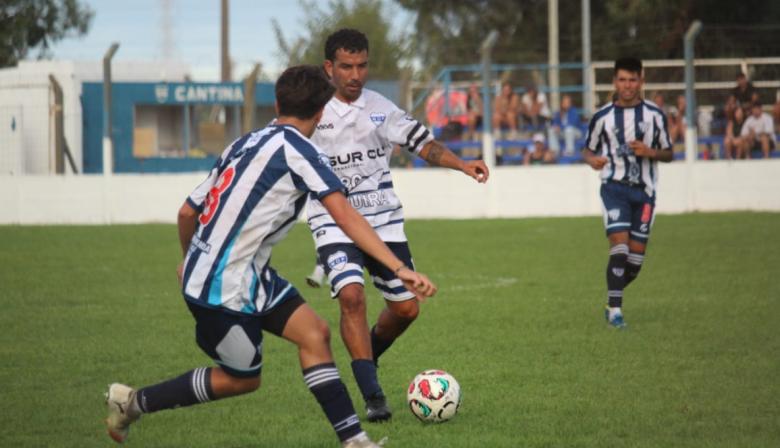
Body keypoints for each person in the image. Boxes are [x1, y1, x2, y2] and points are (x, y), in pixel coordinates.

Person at [103, 65, 437, 448]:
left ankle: (355, 441)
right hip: (221, 290)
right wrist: (398, 268)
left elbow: (186, 212)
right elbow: (343, 214)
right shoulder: (304, 153)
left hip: (245, 274)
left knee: (315, 334)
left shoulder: (244, 142)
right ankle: (133, 402)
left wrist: (189, 259)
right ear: (322, 111)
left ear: (277, 103)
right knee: (243, 379)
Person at [307, 28, 489, 422]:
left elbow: (423, 144)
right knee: (352, 296)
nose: (356, 75)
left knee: (406, 309)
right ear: (329, 68)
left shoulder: (380, 108)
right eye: (346, 67)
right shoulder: (312, 112)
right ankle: (373, 397)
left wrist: (462, 164)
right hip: (333, 220)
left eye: (362, 66)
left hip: (384, 223)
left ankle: (364, 360)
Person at [581, 57, 673, 328]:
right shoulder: (603, 117)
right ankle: (616, 312)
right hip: (614, 189)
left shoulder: (655, 116)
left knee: (634, 263)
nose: (627, 85)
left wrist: (651, 152)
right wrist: (592, 160)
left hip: (645, 193)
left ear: (641, 81)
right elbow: (588, 149)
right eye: (622, 79)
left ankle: (612, 298)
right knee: (619, 250)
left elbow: (669, 152)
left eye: (632, 79)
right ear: (614, 82)